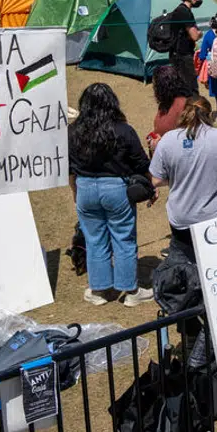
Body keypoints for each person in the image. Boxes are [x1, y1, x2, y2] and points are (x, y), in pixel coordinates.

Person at [68, 84, 155, 307]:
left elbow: (69, 168)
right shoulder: (124, 130)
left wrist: (76, 192)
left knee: (94, 239)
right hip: (117, 189)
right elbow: (142, 163)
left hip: (85, 187)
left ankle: (98, 290)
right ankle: (131, 292)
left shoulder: (72, 131)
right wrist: (151, 187)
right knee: (124, 240)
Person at [149, 95, 217, 259]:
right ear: (209, 115)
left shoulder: (168, 140)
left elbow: (156, 180)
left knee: (188, 262)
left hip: (182, 218)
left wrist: (176, 177)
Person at [166, 0, 206, 93]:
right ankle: (193, 108)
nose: (200, 0)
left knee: (182, 85)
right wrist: (200, 33)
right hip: (182, 55)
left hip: (178, 53)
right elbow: (195, 36)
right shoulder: (184, 12)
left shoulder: (182, 10)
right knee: (190, 87)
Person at [148, 65, 195, 153]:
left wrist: (162, 145)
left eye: (155, 85)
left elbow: (190, 143)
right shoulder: (164, 104)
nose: (153, 89)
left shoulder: (186, 106)